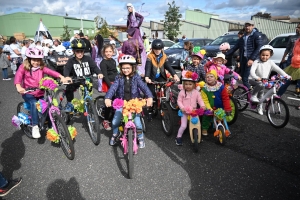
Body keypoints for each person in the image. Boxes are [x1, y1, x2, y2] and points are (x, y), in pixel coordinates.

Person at [14, 47, 68, 138]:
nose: (36, 62)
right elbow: (18, 76)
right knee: (34, 104)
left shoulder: (41, 67)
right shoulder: (23, 67)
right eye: (34, 60)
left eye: (38, 60)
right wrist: (18, 86)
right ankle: (35, 126)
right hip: (28, 93)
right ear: (29, 59)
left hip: (40, 93)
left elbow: (51, 72)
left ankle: (52, 126)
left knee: (47, 106)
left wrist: (61, 77)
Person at [104, 55, 153, 148]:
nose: (125, 70)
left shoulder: (136, 77)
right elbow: (113, 88)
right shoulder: (119, 77)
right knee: (115, 122)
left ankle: (140, 136)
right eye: (123, 68)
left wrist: (149, 96)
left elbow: (144, 87)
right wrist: (108, 98)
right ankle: (116, 133)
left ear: (133, 68)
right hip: (121, 103)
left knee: (138, 123)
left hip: (134, 103)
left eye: (128, 68)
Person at [249, 45, 291, 115]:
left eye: (267, 55)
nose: (264, 57)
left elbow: (279, 70)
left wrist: (286, 75)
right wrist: (256, 77)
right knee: (260, 85)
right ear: (260, 54)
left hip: (263, 81)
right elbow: (252, 71)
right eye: (263, 55)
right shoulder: (256, 62)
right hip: (253, 79)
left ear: (270, 55)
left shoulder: (270, 63)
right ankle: (253, 96)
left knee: (262, 94)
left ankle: (259, 106)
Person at [63, 39, 103, 112]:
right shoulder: (71, 60)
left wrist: (99, 73)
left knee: (87, 96)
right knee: (69, 88)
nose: (80, 53)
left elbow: (94, 67)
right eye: (77, 51)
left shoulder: (88, 59)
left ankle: (87, 107)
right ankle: (69, 104)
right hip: (76, 80)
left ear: (84, 51)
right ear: (73, 51)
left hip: (87, 80)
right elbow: (67, 69)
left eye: (81, 51)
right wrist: (67, 76)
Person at [225, 20, 263, 89]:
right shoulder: (243, 37)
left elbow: (259, 47)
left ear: (252, 26)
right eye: (246, 25)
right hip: (243, 59)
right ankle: (247, 91)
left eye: (249, 25)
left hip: (251, 59)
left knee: (245, 78)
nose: (247, 27)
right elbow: (235, 47)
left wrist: (251, 59)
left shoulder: (256, 35)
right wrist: (224, 55)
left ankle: (250, 94)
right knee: (242, 77)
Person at [175, 70, 205, 145]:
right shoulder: (182, 92)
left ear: (194, 85)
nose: (188, 86)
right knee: (183, 125)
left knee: (197, 124)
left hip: (194, 111)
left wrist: (202, 106)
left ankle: (197, 135)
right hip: (184, 111)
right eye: (186, 84)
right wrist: (181, 107)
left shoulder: (196, 92)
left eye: (190, 84)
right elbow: (179, 101)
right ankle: (178, 137)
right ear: (183, 85)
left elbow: (200, 100)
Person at [200, 70, 232, 135]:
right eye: (207, 77)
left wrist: (227, 108)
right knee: (206, 117)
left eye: (211, 76)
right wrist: (209, 108)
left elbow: (225, 98)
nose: (209, 78)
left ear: (215, 78)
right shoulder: (204, 89)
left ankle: (220, 127)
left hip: (220, 107)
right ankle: (204, 128)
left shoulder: (221, 87)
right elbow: (205, 100)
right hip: (209, 107)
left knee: (221, 117)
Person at [100, 44, 119, 130]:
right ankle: (106, 120)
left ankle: (116, 115)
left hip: (115, 82)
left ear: (113, 52)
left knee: (118, 98)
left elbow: (115, 72)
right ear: (104, 53)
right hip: (109, 83)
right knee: (109, 102)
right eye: (106, 52)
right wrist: (111, 86)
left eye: (110, 51)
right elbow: (105, 76)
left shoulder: (113, 61)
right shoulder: (103, 63)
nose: (108, 53)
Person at [126, 3, 147, 77]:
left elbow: (142, 17)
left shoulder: (135, 14)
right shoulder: (129, 15)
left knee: (137, 45)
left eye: (130, 7)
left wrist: (138, 25)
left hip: (136, 30)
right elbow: (128, 22)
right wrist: (128, 29)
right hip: (131, 30)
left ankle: (141, 68)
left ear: (132, 7)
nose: (129, 9)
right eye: (128, 8)